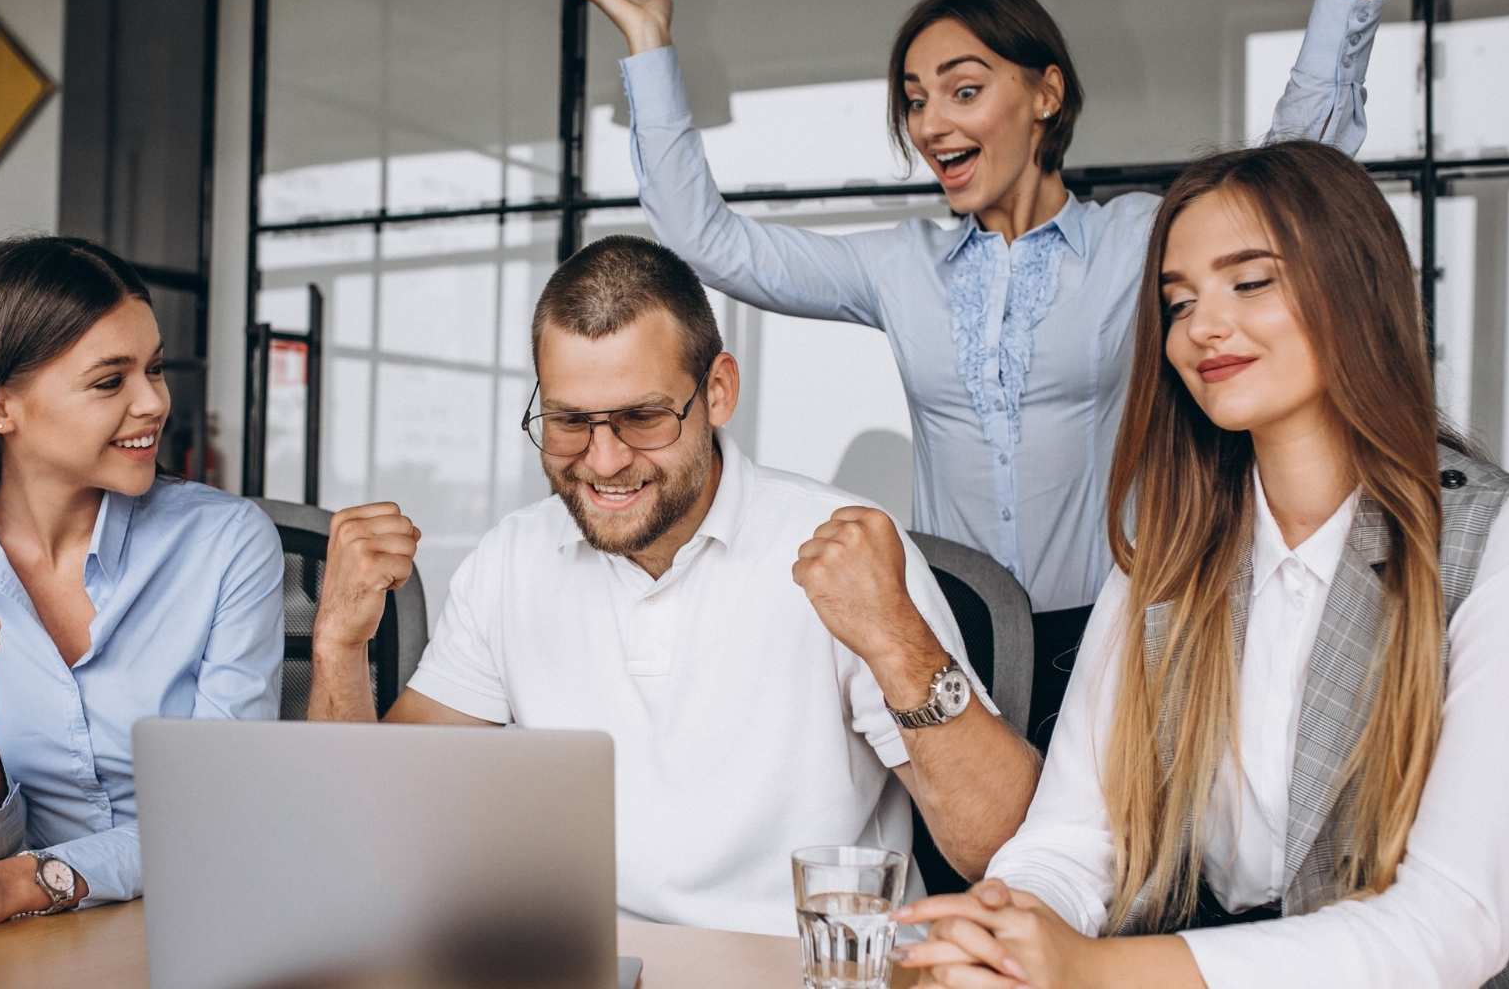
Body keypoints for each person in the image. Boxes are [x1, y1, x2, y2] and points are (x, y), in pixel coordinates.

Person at [564, 0, 1509, 748]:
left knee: (1103, 885)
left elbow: (1289, 175)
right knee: (966, 871)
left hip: (1123, 628)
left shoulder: (1137, 242)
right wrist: (649, 54)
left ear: (1047, 95)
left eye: (964, 88)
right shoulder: (898, 268)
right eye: (914, 97)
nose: (932, 120)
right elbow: (711, 242)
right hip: (952, 630)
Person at [892, 140, 1509, 988]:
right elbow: (1075, 838)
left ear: (1355, 286)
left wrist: (1094, 971)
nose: (1203, 326)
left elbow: (1449, 926)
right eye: (1178, 302)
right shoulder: (1169, 554)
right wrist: (1003, 928)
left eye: (1251, 282)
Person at [307, 234, 1040, 937]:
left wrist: (899, 645)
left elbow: (997, 847)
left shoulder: (841, 545)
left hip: (798, 970)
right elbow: (375, 839)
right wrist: (339, 645)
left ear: (717, 391)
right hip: (582, 964)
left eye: (642, 418)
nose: (603, 460)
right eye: (569, 421)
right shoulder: (510, 560)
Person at [0, 237, 284, 940]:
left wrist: (23, 882)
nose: (153, 402)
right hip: (29, 939)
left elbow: (218, 821)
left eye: (155, 369)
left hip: (212, 923)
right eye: (111, 382)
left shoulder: (228, 542)